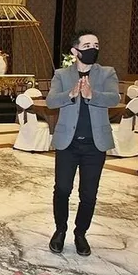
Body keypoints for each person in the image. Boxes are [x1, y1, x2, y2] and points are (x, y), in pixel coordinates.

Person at [46, 30, 120, 256]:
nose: (93, 49)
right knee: (62, 189)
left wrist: (91, 94)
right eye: (87, 46)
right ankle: (60, 230)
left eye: (96, 45)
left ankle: (80, 233)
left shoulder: (107, 73)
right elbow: (51, 101)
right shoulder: (61, 74)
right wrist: (70, 94)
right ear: (75, 51)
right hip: (67, 144)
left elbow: (114, 98)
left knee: (88, 193)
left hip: (94, 145)